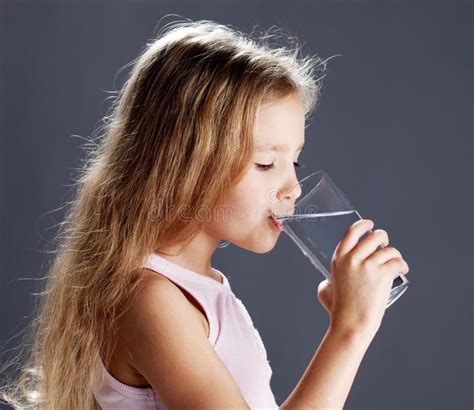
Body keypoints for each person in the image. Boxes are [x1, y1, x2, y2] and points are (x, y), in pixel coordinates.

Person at [0, 18, 410, 409]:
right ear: (187, 165)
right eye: (267, 164)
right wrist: (350, 329)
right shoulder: (152, 301)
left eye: (295, 163)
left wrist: (349, 315)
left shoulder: (199, 289)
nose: (294, 188)